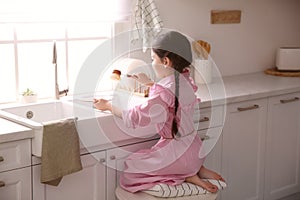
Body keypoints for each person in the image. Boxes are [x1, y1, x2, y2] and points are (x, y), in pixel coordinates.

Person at [94, 31, 225, 193]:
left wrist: (107, 105)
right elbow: (171, 95)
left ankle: (185, 174)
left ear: (165, 61)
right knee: (178, 159)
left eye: (152, 59)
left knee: (131, 168)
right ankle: (196, 169)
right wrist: (150, 84)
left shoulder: (163, 91)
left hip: (177, 154)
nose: (151, 63)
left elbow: (136, 116)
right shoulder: (185, 80)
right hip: (195, 150)